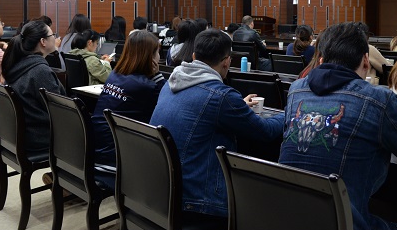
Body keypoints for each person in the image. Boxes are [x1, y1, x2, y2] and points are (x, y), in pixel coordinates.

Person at [278, 22, 397, 230]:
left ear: (320, 59)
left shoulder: (296, 90)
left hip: (288, 224)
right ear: (365, 60)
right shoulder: (378, 99)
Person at [150, 29, 284, 218]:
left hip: (162, 190)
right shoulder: (221, 96)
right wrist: (290, 113)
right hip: (196, 200)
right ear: (227, 61)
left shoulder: (171, 83)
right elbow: (266, 131)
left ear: (195, 56)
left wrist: (237, 106)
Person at [92, 30, 166, 189]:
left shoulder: (115, 74)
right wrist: (158, 75)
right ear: (150, 57)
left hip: (96, 149)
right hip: (117, 158)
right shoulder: (147, 86)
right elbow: (166, 101)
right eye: (157, 53)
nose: (159, 57)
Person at [1, 20, 66, 153]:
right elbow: (59, 110)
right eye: (52, 34)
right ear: (43, 41)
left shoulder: (19, 63)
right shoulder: (40, 71)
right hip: (41, 137)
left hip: (23, 133)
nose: (55, 38)